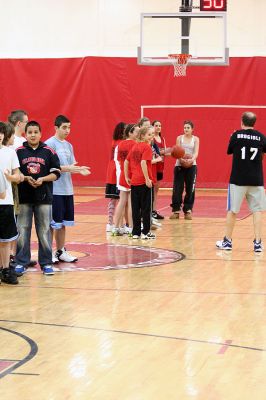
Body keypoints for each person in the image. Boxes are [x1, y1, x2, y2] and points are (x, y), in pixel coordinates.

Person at [15, 121, 61, 275]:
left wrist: (43, 179)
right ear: (25, 134)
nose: (33, 135)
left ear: (40, 134)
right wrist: (24, 177)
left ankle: (46, 263)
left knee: (44, 230)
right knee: (22, 230)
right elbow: (15, 173)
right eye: (30, 132)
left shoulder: (49, 151)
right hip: (23, 198)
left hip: (44, 198)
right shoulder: (19, 151)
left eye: (36, 132)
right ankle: (21, 262)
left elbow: (56, 173)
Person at [216, 111, 266, 252]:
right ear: (254, 123)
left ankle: (227, 242)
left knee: (233, 211)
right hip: (256, 179)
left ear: (242, 121)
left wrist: (233, 138)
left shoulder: (236, 135)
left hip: (238, 180)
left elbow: (230, 151)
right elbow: (262, 155)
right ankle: (258, 243)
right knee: (257, 211)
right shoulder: (261, 137)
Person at [45, 115, 90, 263]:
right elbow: (49, 168)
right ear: (56, 128)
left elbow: (70, 166)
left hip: (67, 190)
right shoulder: (49, 144)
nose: (67, 130)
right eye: (64, 127)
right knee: (52, 224)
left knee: (63, 223)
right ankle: (48, 252)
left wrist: (78, 169)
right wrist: (69, 168)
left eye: (69, 127)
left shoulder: (69, 145)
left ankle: (60, 251)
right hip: (54, 190)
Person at [124, 125, 156, 240]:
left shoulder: (135, 146)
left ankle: (136, 232)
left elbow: (126, 161)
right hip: (143, 182)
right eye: (149, 134)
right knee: (146, 208)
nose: (152, 136)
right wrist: (147, 179)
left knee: (136, 208)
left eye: (152, 134)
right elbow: (143, 163)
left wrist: (127, 176)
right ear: (142, 135)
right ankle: (145, 232)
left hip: (134, 182)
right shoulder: (146, 147)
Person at [0, 122, 21, 285]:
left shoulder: (10, 153)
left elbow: (18, 176)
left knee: (5, 239)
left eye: (1, 133)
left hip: (5, 203)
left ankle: (5, 269)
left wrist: (10, 178)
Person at [112, 123, 139, 236]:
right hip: (132, 175)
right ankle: (131, 228)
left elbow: (118, 161)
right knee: (132, 203)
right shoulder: (135, 145)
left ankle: (115, 227)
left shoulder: (119, 145)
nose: (138, 134)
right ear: (130, 133)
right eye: (137, 132)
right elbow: (137, 162)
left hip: (123, 174)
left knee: (122, 202)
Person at [170, 120, 199, 220]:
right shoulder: (179, 138)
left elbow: (196, 152)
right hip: (179, 165)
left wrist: (191, 160)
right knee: (177, 188)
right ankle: (176, 210)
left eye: (188, 128)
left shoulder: (195, 139)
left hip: (192, 165)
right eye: (185, 127)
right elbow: (177, 152)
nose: (186, 129)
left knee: (190, 188)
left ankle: (188, 210)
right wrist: (181, 160)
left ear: (192, 129)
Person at [105, 122, 126, 232]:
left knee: (113, 199)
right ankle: (118, 224)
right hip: (117, 171)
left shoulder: (114, 142)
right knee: (120, 199)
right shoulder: (122, 143)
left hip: (111, 170)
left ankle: (110, 223)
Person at [152, 120, 167, 220]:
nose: (158, 127)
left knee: (156, 191)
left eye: (160, 126)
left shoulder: (162, 139)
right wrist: (162, 152)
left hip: (160, 166)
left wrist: (175, 151)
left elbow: (164, 152)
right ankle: (150, 211)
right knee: (152, 190)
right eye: (156, 125)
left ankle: (154, 210)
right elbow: (158, 152)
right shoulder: (151, 139)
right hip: (154, 166)